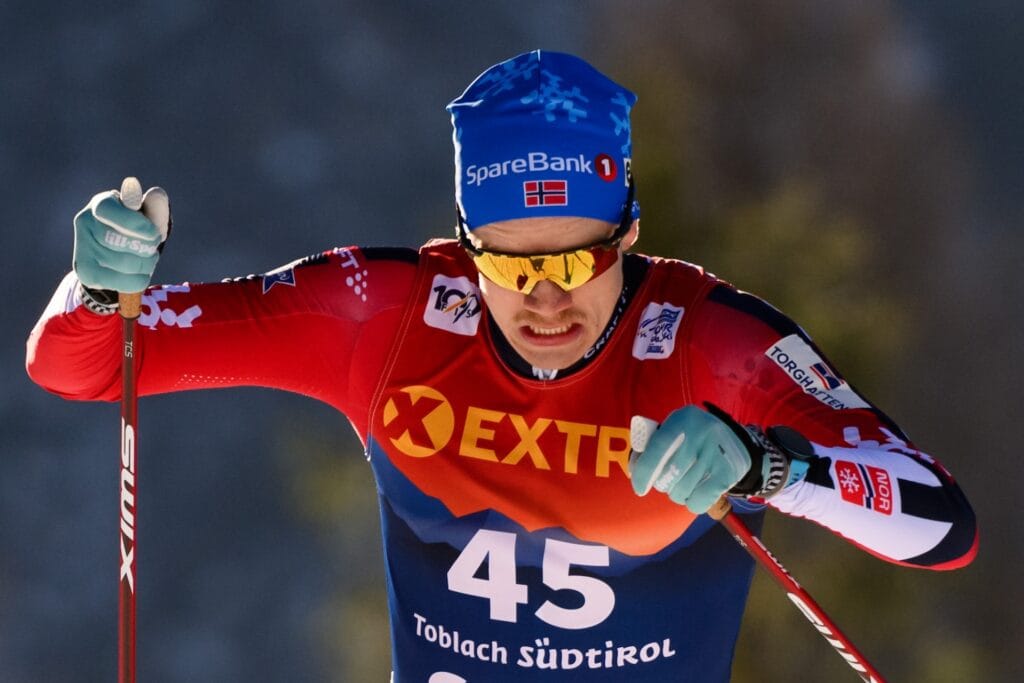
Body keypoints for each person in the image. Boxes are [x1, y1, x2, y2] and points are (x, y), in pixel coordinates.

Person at [26, 50, 976, 682]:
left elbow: (943, 524)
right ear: (467, 243)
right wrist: (94, 284)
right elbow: (85, 367)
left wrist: (769, 465)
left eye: (577, 261)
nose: (546, 300)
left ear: (630, 232)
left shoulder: (711, 343)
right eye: (513, 267)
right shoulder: (384, 315)